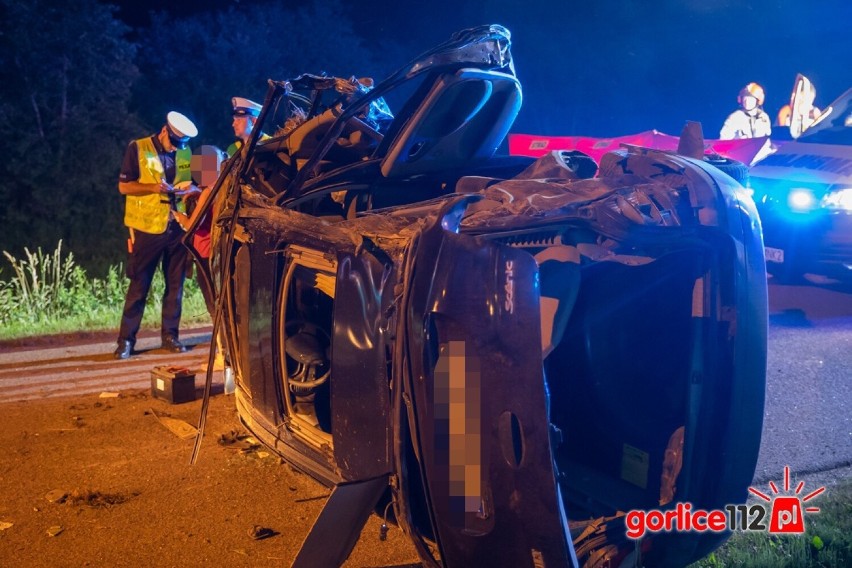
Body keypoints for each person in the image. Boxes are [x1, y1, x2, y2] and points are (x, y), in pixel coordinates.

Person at [113, 111, 200, 360]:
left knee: (176, 286)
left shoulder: (185, 151)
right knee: (139, 286)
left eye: (180, 144)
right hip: (147, 229)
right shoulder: (138, 147)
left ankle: (171, 337)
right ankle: (126, 341)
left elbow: (197, 183)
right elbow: (124, 186)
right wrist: (153, 187)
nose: (176, 148)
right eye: (174, 142)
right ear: (165, 131)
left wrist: (190, 189)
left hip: (177, 228)